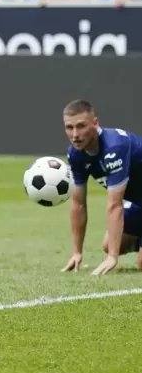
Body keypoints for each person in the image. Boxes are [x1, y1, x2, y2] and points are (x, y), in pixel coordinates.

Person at [62, 99, 142, 276]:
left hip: (132, 202)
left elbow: (115, 205)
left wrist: (113, 258)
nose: (75, 134)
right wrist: (77, 252)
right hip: (138, 203)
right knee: (109, 244)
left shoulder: (115, 147)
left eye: (81, 126)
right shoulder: (75, 154)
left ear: (95, 123)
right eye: (69, 127)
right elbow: (78, 203)